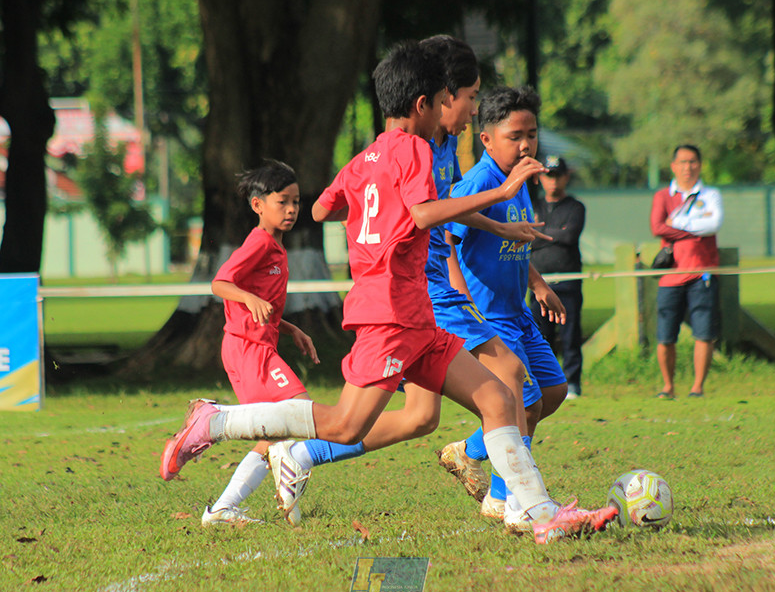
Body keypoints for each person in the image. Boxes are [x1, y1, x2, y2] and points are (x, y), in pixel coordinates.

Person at [161, 41, 617, 544]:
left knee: (496, 396)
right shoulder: (416, 148)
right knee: (342, 426)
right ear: (423, 104)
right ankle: (215, 421)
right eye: (445, 97)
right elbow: (421, 213)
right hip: (390, 317)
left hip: (417, 317)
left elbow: (320, 210)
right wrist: (503, 193)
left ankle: (540, 514)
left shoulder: (364, 160)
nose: (448, 107)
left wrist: (368, 212)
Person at [445, 86, 572, 524]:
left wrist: (537, 284)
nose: (525, 144)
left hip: (517, 310)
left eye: (532, 134)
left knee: (553, 393)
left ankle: (469, 449)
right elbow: (447, 239)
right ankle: (504, 499)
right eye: (515, 135)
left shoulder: (519, 182)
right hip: (490, 316)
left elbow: (515, 239)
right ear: (487, 139)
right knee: (525, 403)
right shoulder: (479, 182)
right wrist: (463, 302)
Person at [197, 160, 327, 527]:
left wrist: (290, 329)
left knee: (280, 429)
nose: (291, 210)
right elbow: (220, 283)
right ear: (258, 206)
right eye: (282, 202)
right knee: (299, 413)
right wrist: (247, 298)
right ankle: (211, 424)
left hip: (255, 348)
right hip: (248, 350)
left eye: (296, 202)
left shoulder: (275, 247)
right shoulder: (259, 242)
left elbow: (263, 307)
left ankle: (225, 509)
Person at [649, 144, 723, 399]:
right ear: (673, 166)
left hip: (702, 273)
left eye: (692, 162)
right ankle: (668, 386)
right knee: (666, 334)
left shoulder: (710, 195)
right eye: (682, 162)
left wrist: (677, 224)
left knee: (704, 331)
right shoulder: (662, 196)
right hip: (671, 276)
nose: (688, 167)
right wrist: (696, 228)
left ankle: (697, 387)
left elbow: (713, 224)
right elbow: (658, 227)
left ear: (700, 165)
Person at [529, 155, 586, 400]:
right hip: (538, 283)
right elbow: (524, 238)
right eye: (548, 175)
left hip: (568, 281)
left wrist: (537, 233)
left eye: (558, 175)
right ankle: (545, 382)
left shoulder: (575, 207)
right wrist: (552, 234)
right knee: (542, 336)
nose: (553, 181)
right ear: (540, 178)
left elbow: (570, 236)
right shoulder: (533, 206)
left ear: (566, 176)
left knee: (571, 334)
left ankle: (573, 383)